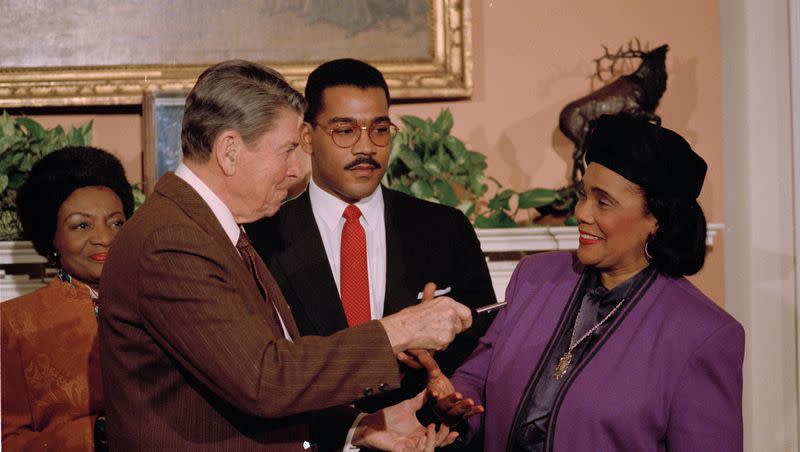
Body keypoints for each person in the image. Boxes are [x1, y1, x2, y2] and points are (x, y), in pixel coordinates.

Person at [98, 59, 471, 451]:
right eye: (288, 150)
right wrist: (402, 330)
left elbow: (241, 379)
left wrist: (357, 425)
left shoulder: (209, 230)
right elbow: (265, 380)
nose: (295, 170)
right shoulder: (172, 241)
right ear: (229, 151)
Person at [424, 114, 745, 451]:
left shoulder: (703, 334)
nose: (582, 212)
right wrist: (458, 404)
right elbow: (477, 378)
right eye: (583, 195)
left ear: (657, 220)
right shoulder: (534, 278)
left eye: (603, 202)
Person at [246, 58, 496, 410]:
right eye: (345, 131)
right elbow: (264, 369)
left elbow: (483, 339)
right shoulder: (261, 238)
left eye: (379, 130)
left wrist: (450, 392)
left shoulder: (445, 228)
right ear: (307, 137)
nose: (366, 147)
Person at [2, 146, 134, 451]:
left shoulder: (158, 305)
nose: (105, 237)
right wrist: (90, 434)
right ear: (53, 238)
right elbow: (7, 439)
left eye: (116, 222)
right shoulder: (12, 324)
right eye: (82, 225)